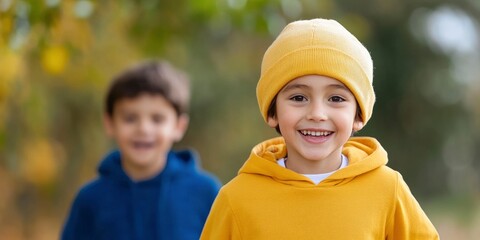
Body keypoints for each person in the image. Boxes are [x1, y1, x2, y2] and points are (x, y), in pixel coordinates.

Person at [200, 18, 439, 239]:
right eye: (298, 98)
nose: (317, 114)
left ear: (359, 115)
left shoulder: (388, 189)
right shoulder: (236, 199)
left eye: (335, 99)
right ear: (272, 112)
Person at [61, 60, 221, 240]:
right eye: (130, 118)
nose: (143, 129)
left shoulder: (207, 193)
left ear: (179, 126)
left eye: (157, 119)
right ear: (109, 123)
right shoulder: (90, 199)